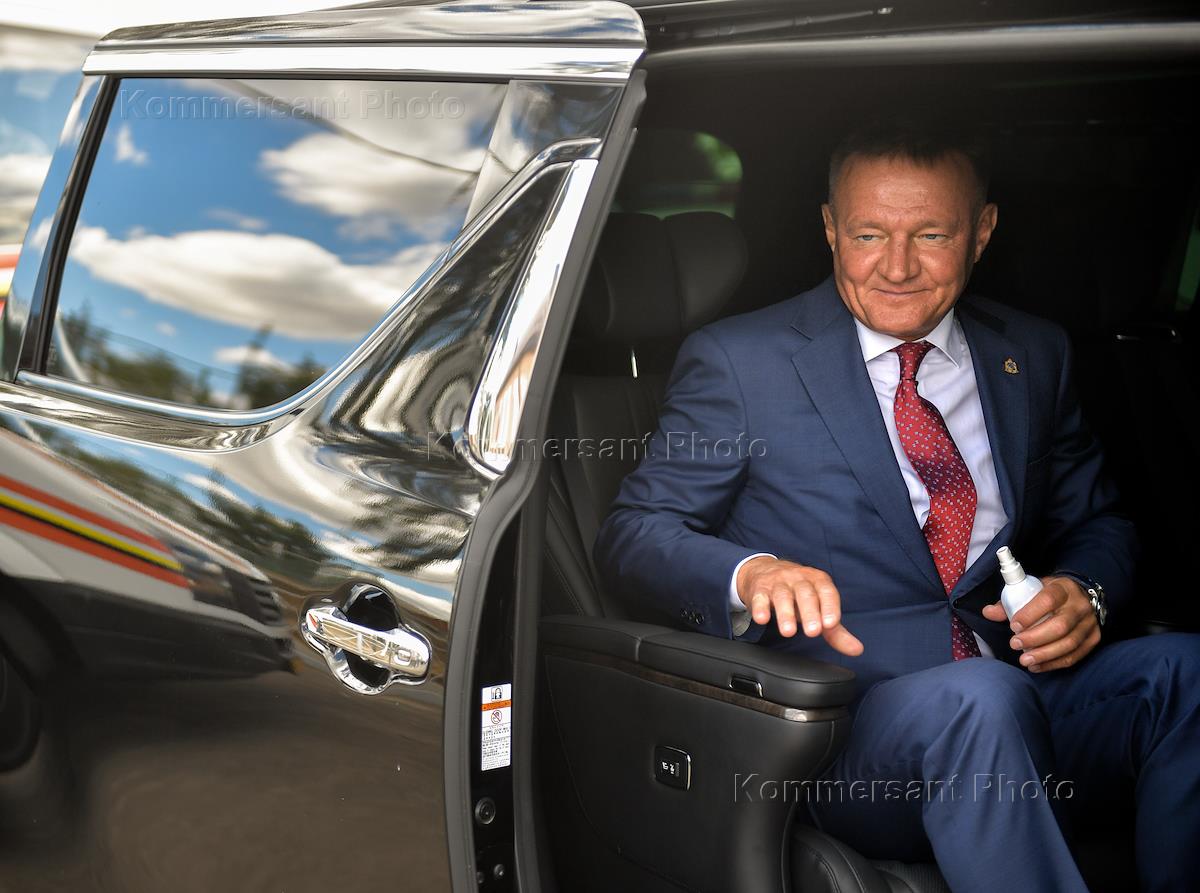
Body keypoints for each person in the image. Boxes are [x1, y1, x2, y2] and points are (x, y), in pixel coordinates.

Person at [593, 122, 1199, 893]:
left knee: (1185, 671)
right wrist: (750, 573)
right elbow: (634, 534)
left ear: (982, 231)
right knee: (981, 701)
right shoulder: (741, 362)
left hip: (1021, 693)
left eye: (932, 235)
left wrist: (1086, 592)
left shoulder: (1032, 352)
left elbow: (1099, 522)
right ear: (829, 229)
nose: (899, 266)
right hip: (847, 738)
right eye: (869, 234)